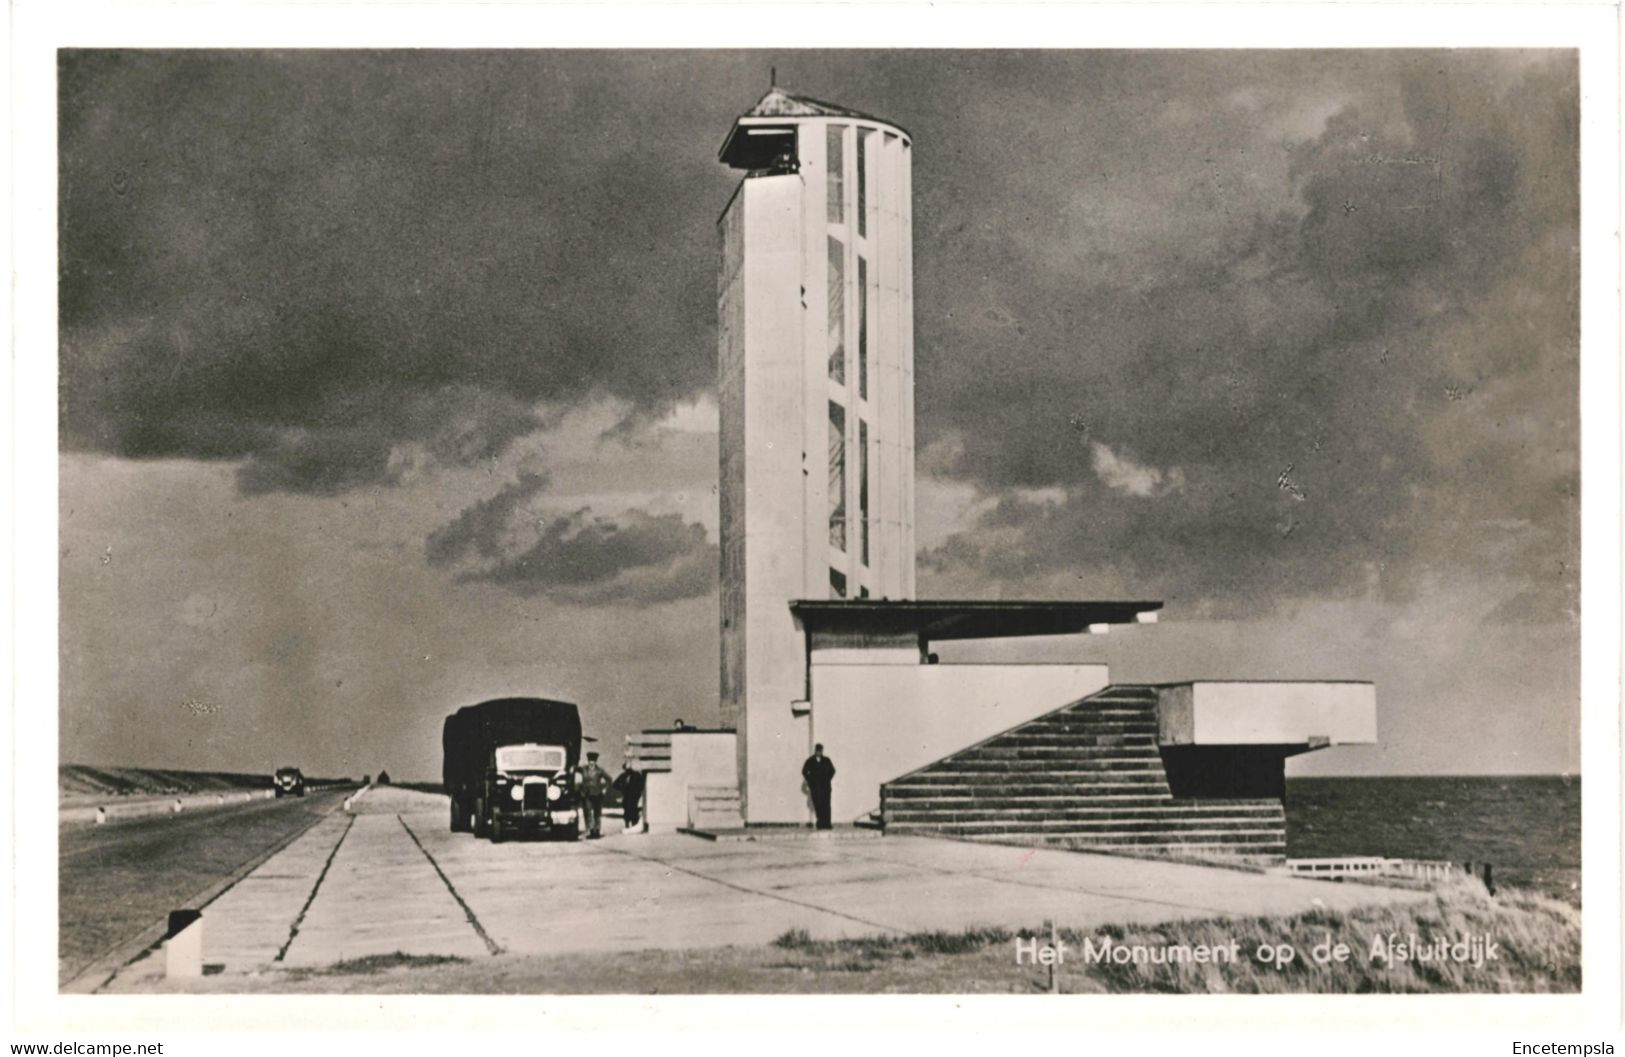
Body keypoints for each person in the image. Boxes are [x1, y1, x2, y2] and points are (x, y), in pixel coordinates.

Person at [575, 751, 612, 839]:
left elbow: (609, 779)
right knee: (587, 812)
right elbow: (575, 769)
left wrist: (604, 789)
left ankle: (597, 830)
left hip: (597, 793)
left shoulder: (600, 770)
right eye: (590, 760)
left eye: (593, 760)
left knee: (597, 812)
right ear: (588, 761)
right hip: (586, 793)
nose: (591, 762)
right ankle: (590, 830)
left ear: (596, 761)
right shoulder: (583, 769)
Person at [801, 743, 836, 830]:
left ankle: (827, 823)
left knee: (826, 805)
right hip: (816, 788)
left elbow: (833, 770)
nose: (819, 752)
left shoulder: (827, 760)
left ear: (822, 751)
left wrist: (828, 779)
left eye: (820, 751)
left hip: (826, 787)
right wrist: (810, 781)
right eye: (817, 750)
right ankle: (820, 823)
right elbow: (804, 771)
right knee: (818, 805)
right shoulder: (810, 761)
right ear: (815, 751)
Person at [612, 762, 646, 831]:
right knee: (626, 810)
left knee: (634, 810)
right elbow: (615, 784)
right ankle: (627, 824)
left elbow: (641, 784)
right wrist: (622, 788)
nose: (627, 770)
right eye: (626, 768)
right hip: (626, 796)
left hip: (634, 796)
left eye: (628, 768)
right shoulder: (623, 776)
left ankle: (634, 824)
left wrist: (637, 791)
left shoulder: (637, 775)